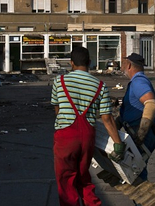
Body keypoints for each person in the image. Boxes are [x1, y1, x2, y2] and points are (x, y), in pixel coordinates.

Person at [51, 46, 125, 206]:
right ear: (89, 63)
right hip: (87, 138)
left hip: (65, 136)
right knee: (83, 176)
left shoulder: (60, 81)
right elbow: (107, 118)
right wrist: (118, 143)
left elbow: (57, 110)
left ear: (71, 63)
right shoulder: (100, 85)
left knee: (66, 179)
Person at [118, 53, 155, 181]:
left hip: (142, 133)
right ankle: (142, 200)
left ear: (129, 65)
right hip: (140, 130)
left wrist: (141, 133)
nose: (122, 67)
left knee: (136, 170)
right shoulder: (136, 82)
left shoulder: (139, 82)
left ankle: (143, 201)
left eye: (124, 64)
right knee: (135, 168)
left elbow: (151, 104)